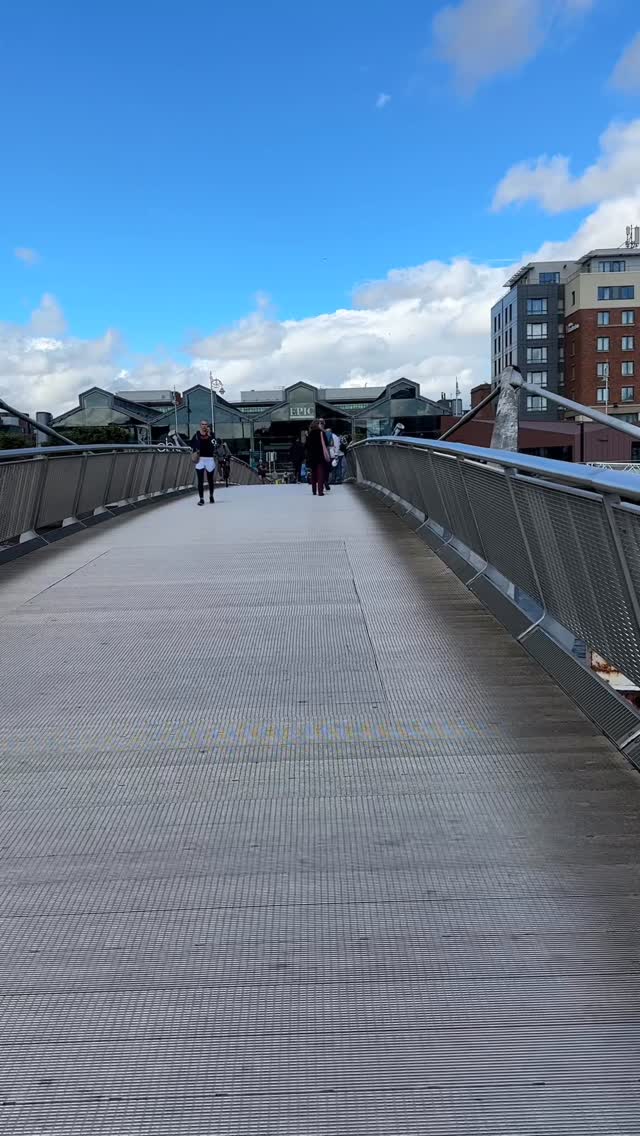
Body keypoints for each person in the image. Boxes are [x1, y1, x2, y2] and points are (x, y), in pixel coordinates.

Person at [190, 420, 216, 505]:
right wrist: (195, 451)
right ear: (200, 425)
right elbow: (192, 445)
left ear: (207, 426)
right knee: (200, 480)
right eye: (202, 424)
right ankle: (201, 499)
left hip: (209, 459)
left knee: (210, 480)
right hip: (200, 459)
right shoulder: (197, 435)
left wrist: (210, 435)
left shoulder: (211, 435)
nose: (204, 426)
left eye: (205, 424)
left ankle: (211, 496)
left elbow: (215, 445)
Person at [305, 419, 330, 497]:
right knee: (320, 473)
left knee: (313, 474)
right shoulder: (321, 433)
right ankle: (320, 491)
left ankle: (314, 491)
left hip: (312, 457)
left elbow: (306, 446)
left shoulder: (310, 434)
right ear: (318, 425)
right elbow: (326, 443)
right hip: (320, 456)